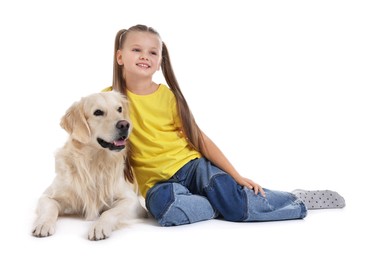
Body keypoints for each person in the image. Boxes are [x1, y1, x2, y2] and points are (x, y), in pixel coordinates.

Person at [103, 24, 345, 227]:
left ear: (159, 63)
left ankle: (295, 199)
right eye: (137, 50)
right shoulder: (107, 102)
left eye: (152, 53)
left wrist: (237, 176)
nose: (145, 56)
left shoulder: (167, 97)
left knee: (238, 206)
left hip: (193, 168)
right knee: (166, 212)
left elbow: (201, 140)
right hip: (157, 184)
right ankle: (218, 203)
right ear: (120, 56)